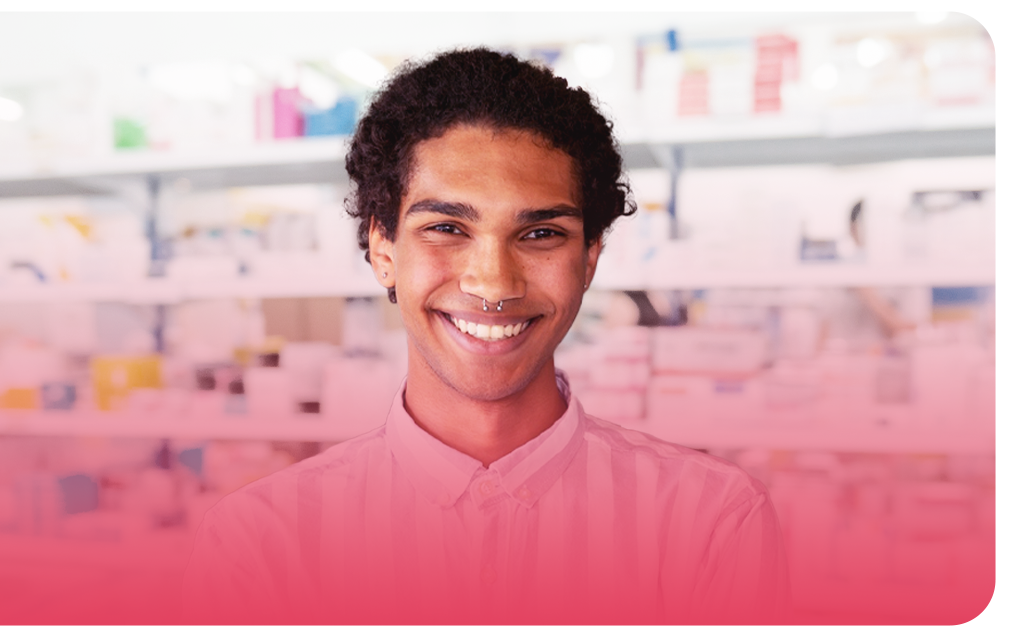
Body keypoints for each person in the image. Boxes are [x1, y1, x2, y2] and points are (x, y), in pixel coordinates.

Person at [182, 48, 787, 626]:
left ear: (591, 257)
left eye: (542, 233)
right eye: (446, 227)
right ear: (382, 249)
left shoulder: (711, 523)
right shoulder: (259, 543)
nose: (494, 282)